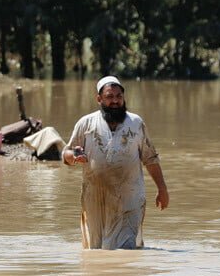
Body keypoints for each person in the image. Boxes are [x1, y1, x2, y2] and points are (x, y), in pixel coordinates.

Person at [62, 76, 170, 249]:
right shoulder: (86, 123)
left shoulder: (136, 123)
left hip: (130, 199)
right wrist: (74, 156)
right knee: (95, 250)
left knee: (126, 249)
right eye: (109, 97)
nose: (115, 101)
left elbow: (150, 158)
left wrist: (162, 189)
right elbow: (66, 153)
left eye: (119, 96)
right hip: (95, 199)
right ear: (99, 99)